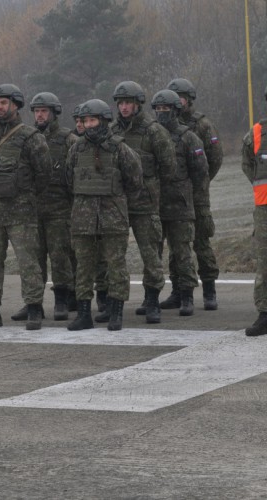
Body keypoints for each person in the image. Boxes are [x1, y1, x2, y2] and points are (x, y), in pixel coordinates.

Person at [0, 84, 50, 331]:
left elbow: (43, 173)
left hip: (21, 212)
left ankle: (34, 307)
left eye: (4, 103)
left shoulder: (31, 137)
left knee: (28, 262)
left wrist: (24, 195)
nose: (0, 107)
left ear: (16, 105)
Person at [66, 99, 143, 331]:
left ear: (103, 121)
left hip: (113, 217)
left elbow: (135, 182)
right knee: (84, 267)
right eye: (85, 121)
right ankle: (83, 314)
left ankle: (116, 312)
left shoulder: (121, 149)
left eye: (93, 120)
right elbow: (69, 181)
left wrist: (117, 203)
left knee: (116, 265)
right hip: (83, 218)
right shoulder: (76, 149)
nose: (88, 125)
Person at [109, 81, 176, 324]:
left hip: (146, 204)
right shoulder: (112, 130)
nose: (124, 107)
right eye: (121, 103)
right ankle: (112, 301)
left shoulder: (154, 131)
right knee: (113, 254)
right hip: (117, 203)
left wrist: (151, 188)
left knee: (151, 255)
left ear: (137, 104)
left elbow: (169, 167)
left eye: (128, 103)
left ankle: (152, 300)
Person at [150, 90, 209, 317]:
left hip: (180, 204)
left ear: (175, 110)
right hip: (154, 204)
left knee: (182, 252)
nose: (162, 113)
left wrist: (190, 196)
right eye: (158, 109)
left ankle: (186, 296)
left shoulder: (189, 137)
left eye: (166, 109)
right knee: (153, 254)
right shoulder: (151, 135)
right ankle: (162, 295)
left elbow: (201, 171)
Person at [167, 77, 224, 311]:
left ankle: (209, 290)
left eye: (180, 98)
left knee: (201, 241)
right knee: (176, 244)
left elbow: (215, 158)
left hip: (197, 195)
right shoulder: (165, 126)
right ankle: (178, 290)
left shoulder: (202, 125)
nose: (176, 103)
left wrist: (200, 182)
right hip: (175, 196)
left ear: (189, 100)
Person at [24, 91, 77, 321]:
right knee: (34, 259)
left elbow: (77, 174)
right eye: (36, 111)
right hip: (33, 210)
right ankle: (33, 303)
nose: (40, 115)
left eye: (44, 111)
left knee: (60, 257)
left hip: (59, 209)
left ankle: (62, 300)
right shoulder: (27, 138)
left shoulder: (68, 139)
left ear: (54, 113)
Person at [242, 84, 267, 337]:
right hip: (265, 208)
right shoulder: (257, 133)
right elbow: (247, 164)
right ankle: (265, 313)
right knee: (265, 262)